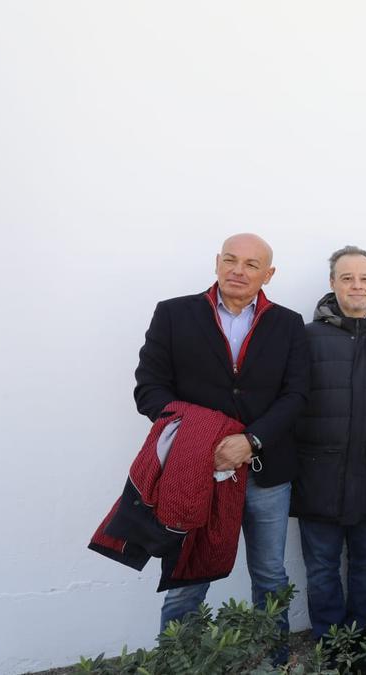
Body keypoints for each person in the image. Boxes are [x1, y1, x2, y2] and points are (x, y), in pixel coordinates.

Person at [134, 233, 308, 646]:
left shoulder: (287, 323)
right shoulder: (174, 314)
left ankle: (272, 664)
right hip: (196, 471)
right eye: (230, 260)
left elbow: (297, 394)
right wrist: (200, 439)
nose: (238, 270)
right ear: (216, 262)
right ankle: (180, 663)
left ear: (268, 274)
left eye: (251, 264)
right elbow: (149, 389)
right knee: (186, 579)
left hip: (265, 473)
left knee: (269, 575)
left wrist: (252, 440)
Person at [291, 246, 366, 640]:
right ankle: (329, 642)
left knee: (365, 563)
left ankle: (357, 643)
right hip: (317, 474)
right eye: (347, 278)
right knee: (322, 566)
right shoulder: (306, 337)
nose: (356, 286)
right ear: (332, 283)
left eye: (364, 278)